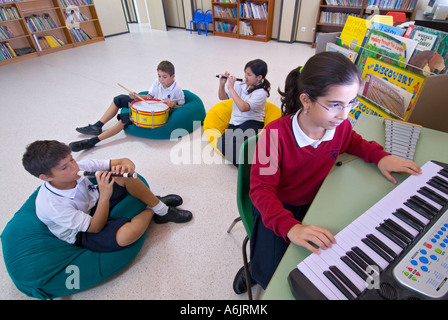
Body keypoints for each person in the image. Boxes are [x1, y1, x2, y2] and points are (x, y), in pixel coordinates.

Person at [232, 52, 423, 294]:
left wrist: (381, 156)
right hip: (278, 206)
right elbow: (261, 191)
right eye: (335, 105)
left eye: (350, 103)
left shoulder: (339, 126)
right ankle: (254, 271)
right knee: (270, 266)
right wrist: (290, 226)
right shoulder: (274, 136)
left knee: (321, 256)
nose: (345, 115)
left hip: (314, 201)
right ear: (306, 100)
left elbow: (353, 142)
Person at [22, 140, 192, 252]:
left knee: (124, 177)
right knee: (127, 235)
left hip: (95, 200)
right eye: (64, 167)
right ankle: (152, 208)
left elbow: (121, 161)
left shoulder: (78, 166)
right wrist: (105, 195)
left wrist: (127, 166)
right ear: (46, 177)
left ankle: (162, 210)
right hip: (83, 231)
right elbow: (94, 227)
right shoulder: (51, 205)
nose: (74, 167)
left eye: (72, 160)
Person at [69, 60, 185, 152]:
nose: (161, 79)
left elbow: (182, 107)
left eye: (164, 77)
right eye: (159, 76)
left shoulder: (177, 90)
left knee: (125, 118)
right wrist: (136, 96)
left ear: (172, 76)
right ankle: (97, 126)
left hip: (156, 112)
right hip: (148, 104)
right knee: (118, 99)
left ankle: (92, 141)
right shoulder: (157, 82)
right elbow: (149, 96)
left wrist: (173, 106)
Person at [217, 59, 270, 166]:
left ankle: (248, 168)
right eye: (245, 73)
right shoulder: (240, 85)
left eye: (249, 74)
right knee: (221, 144)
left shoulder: (261, 93)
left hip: (252, 122)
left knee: (235, 143)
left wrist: (231, 88)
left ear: (259, 77)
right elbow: (222, 97)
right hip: (235, 122)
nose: (245, 76)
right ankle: (246, 163)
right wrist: (222, 84)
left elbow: (243, 107)